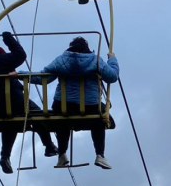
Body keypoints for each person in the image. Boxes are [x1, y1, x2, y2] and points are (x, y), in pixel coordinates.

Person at [17, 37, 119, 170]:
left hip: (64, 106)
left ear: (71, 47)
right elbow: (112, 76)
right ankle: (100, 154)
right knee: (99, 119)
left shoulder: (62, 60)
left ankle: (62, 154)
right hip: (90, 107)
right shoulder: (96, 60)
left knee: (62, 118)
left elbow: (43, 78)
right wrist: (112, 59)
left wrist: (20, 74)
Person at [0, 31, 58, 174]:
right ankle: (49, 145)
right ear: (1, 55)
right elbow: (20, 55)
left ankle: (5, 156)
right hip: (15, 102)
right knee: (38, 114)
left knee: (10, 122)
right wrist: (8, 37)